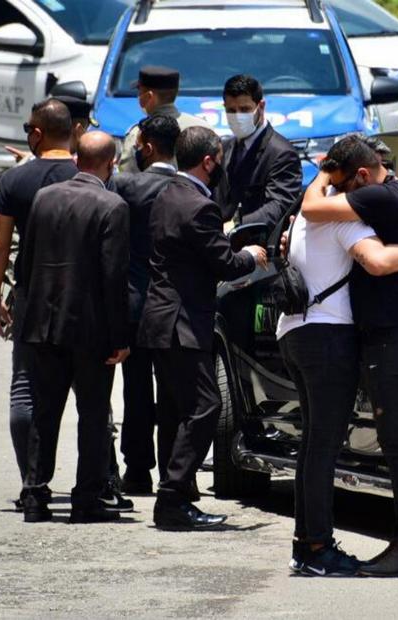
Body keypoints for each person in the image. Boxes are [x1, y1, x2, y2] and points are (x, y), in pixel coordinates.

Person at [279, 136, 398, 577]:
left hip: (395, 336)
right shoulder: (347, 213)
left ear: (362, 177)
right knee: (328, 445)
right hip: (356, 337)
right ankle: (315, 545)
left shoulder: (373, 202)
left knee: (393, 445)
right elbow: (368, 255)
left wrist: (324, 177)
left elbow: (379, 262)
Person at [139, 126, 268, 530]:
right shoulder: (199, 205)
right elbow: (224, 264)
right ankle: (174, 495)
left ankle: (176, 496)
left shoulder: (167, 195)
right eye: (219, 160)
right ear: (209, 161)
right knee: (206, 406)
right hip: (181, 322)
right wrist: (250, 255)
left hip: (162, 318)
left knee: (177, 410)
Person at [18, 131, 131, 524]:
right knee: (93, 414)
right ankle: (86, 498)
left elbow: (26, 264)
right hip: (91, 332)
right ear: (110, 163)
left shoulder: (44, 198)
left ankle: (34, 495)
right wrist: (120, 338)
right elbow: (113, 278)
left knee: (44, 413)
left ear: (76, 159)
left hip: (44, 325)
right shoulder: (112, 206)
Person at [0, 98, 79, 511]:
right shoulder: (87, 173)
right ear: (74, 131)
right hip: (83, 299)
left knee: (25, 389)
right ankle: (103, 481)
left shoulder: (14, 182)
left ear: (37, 134)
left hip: (31, 296)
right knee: (90, 395)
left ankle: (32, 481)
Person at [112, 115, 181, 495]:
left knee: (136, 392)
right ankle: (173, 472)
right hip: (176, 306)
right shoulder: (190, 190)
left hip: (137, 304)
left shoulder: (127, 187)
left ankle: (137, 471)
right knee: (173, 392)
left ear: (148, 146)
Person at [214, 74, 302, 231]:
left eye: (244, 109)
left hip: (258, 243)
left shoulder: (281, 153)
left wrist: (237, 225)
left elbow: (279, 205)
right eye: (231, 110)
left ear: (260, 107)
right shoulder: (224, 147)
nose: (238, 116)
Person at [118, 66, 210, 172]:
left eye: (139, 91)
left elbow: (126, 176)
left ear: (149, 97)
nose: (138, 96)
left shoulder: (139, 134)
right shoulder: (202, 127)